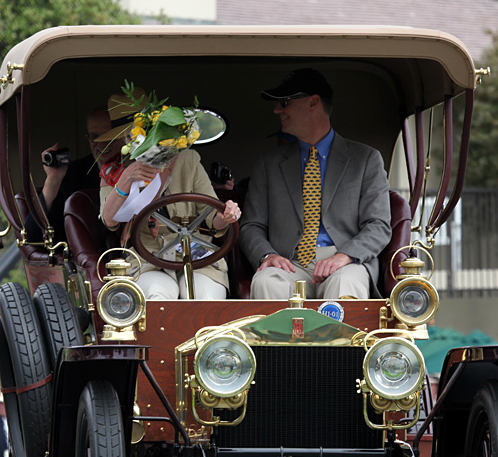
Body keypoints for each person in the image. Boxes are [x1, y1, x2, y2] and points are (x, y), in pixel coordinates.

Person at [240, 68, 390, 300]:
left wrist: (345, 256)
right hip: (289, 263)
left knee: (345, 284)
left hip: (345, 261)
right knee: (266, 281)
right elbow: (251, 225)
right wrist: (266, 255)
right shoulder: (268, 163)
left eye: (285, 102)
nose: (277, 109)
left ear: (313, 102)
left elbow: (379, 224)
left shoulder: (365, 159)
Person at [99, 89, 240, 300]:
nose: (136, 138)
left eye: (143, 131)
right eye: (129, 135)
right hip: (147, 261)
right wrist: (128, 178)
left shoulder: (187, 159)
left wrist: (226, 215)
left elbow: (213, 220)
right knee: (158, 296)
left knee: (205, 299)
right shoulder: (115, 172)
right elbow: (110, 220)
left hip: (198, 259)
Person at [29, 106, 122, 243]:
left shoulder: (140, 169)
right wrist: (53, 180)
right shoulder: (74, 173)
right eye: (94, 137)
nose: (101, 144)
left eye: (109, 136)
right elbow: (34, 237)